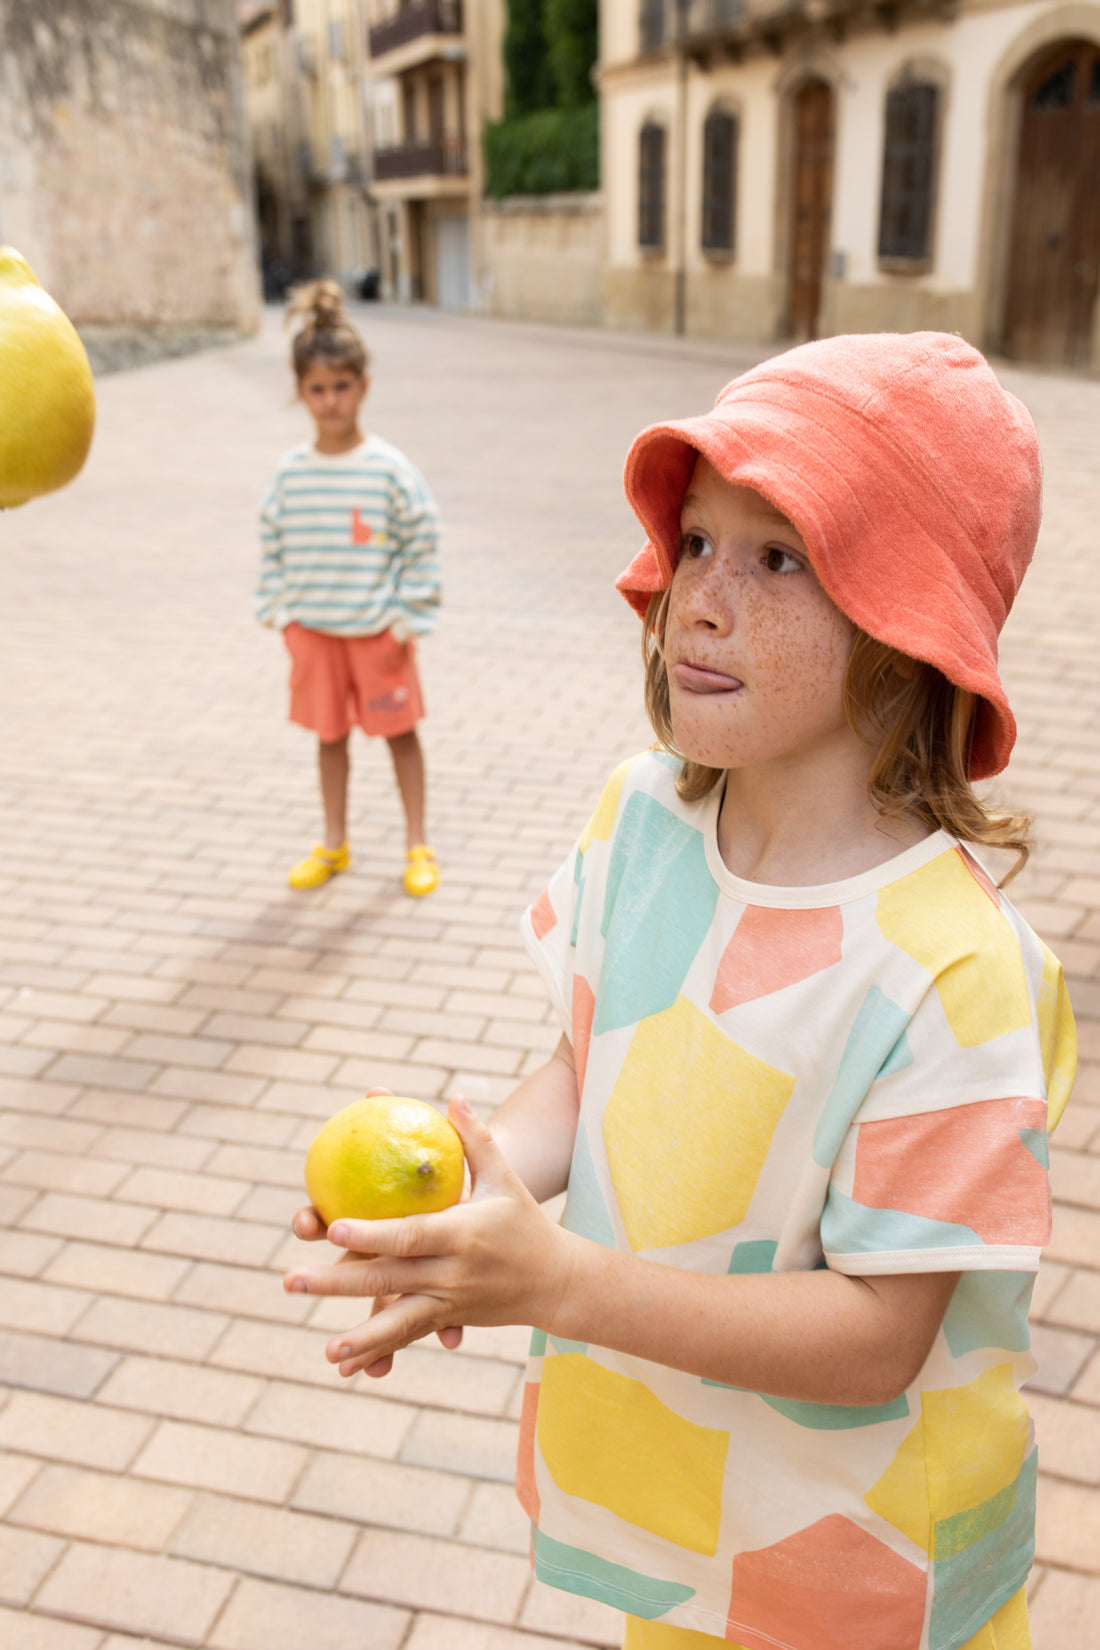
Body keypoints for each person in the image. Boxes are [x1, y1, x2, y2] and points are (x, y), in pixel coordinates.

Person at [284, 332, 1078, 1650]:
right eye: (696, 540)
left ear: (907, 626)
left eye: (778, 556)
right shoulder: (642, 818)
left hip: (864, 1586)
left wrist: (564, 1286)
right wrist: (469, 1197)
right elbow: (586, 1064)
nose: (699, 598)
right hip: (682, 1538)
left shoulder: (953, 966)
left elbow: (881, 1332)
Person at [256, 278, 441, 895]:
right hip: (315, 634)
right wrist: (281, 615)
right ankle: (334, 844)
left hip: (377, 637)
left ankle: (418, 844)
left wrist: (408, 619)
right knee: (328, 741)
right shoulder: (289, 474)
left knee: (400, 737)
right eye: (317, 389)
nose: (330, 400)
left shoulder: (389, 469)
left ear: (362, 386)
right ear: (300, 393)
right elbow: (272, 543)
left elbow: (422, 537)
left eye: (341, 386)